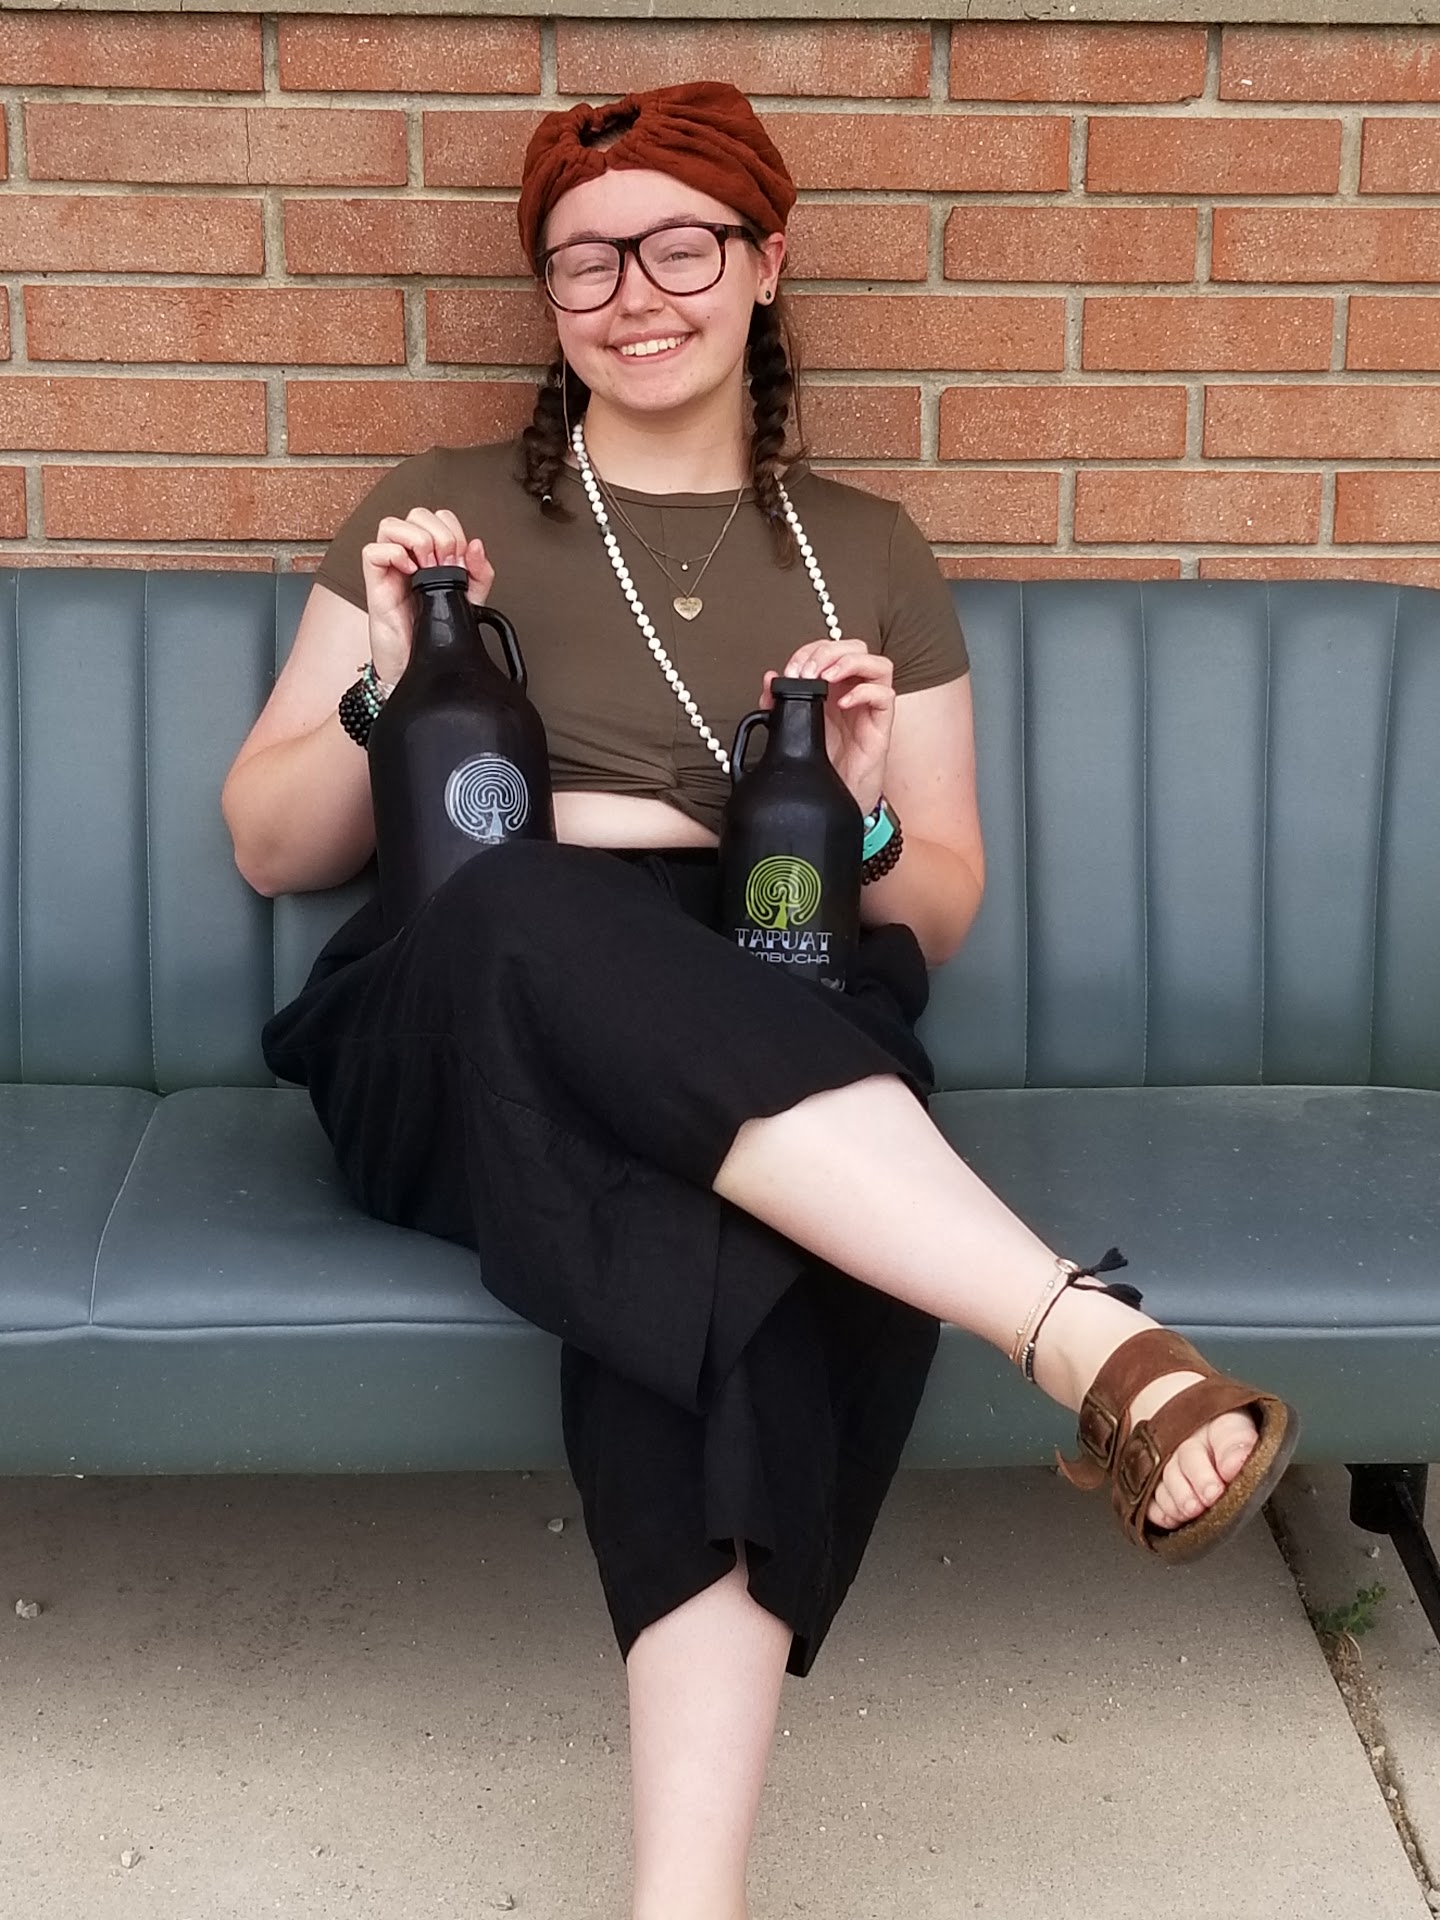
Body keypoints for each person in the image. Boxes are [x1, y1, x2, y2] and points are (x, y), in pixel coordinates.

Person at [222, 82, 1298, 1920]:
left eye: (679, 247)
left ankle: (687, 1898)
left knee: (715, 1263)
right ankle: (1073, 1332)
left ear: (765, 261)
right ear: (547, 297)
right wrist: (397, 687)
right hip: (457, 1007)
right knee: (525, 904)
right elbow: (271, 845)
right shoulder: (430, 520)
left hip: (772, 978)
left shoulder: (867, 549)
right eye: (584, 262)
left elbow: (937, 902)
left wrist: (857, 815)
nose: (633, 294)